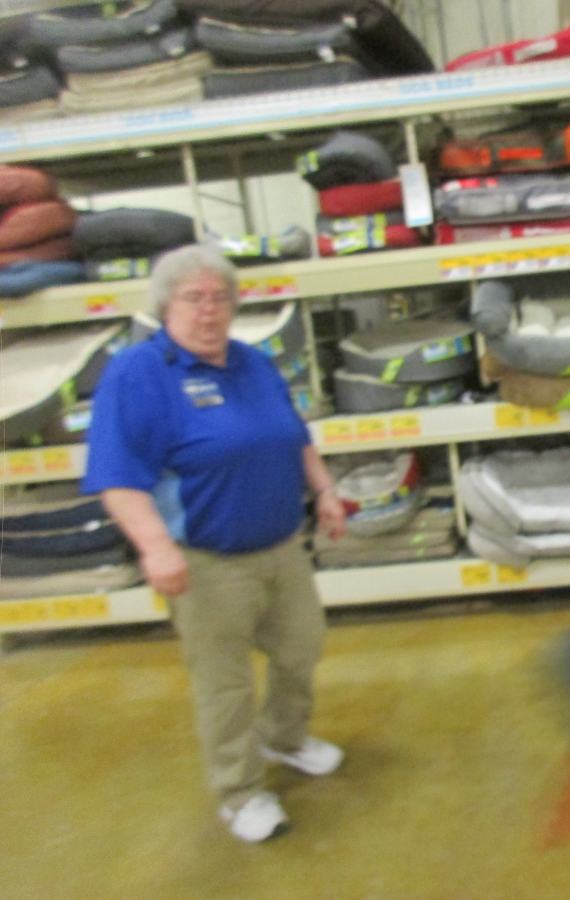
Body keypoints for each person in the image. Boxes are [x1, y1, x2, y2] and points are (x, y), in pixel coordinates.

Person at [82, 245, 347, 844]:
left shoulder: (254, 362)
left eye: (220, 298)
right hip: (206, 561)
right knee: (224, 684)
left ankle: (283, 738)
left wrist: (325, 490)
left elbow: (295, 437)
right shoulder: (139, 373)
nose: (209, 310)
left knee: (302, 649)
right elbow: (117, 476)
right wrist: (156, 546)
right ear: (165, 306)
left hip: (282, 546)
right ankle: (239, 793)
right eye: (193, 298)